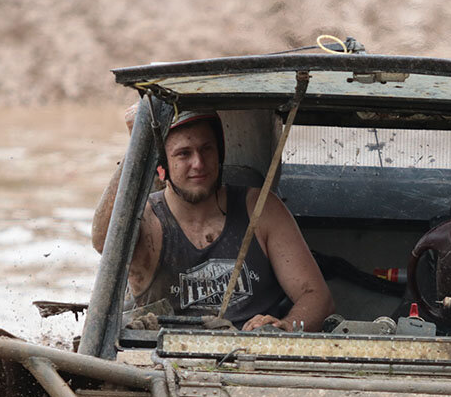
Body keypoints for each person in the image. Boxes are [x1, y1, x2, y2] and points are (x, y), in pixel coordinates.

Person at [91, 107, 333, 332]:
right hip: (164, 361)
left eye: (207, 149)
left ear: (220, 153)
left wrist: (285, 328)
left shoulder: (261, 209)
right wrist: (138, 146)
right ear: (162, 164)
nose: (198, 163)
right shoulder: (146, 220)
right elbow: (103, 242)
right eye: (184, 154)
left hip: (252, 358)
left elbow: (316, 296)